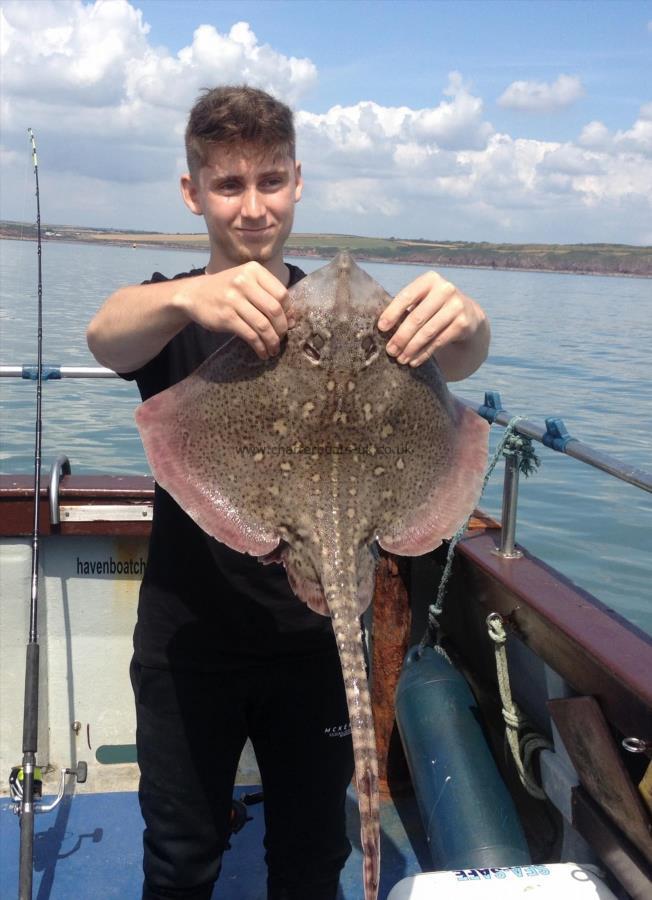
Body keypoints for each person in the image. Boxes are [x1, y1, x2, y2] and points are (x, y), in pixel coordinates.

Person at [87, 85, 490, 900]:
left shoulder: (358, 322)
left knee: (311, 863)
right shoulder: (171, 308)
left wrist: (471, 322)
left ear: (297, 181)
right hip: (188, 643)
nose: (252, 206)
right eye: (229, 185)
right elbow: (105, 336)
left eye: (269, 181)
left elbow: (462, 365)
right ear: (192, 191)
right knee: (179, 856)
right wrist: (181, 297)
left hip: (316, 644)